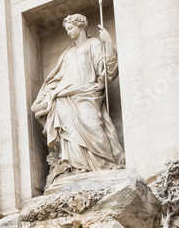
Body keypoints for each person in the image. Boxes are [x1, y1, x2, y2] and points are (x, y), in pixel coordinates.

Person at [32, 14, 124, 188]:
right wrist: (45, 97)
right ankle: (77, 167)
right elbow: (56, 79)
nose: (68, 32)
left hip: (87, 94)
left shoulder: (94, 44)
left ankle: (103, 163)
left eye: (71, 28)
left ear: (81, 26)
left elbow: (107, 73)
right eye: (66, 29)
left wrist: (109, 44)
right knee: (68, 131)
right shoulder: (67, 53)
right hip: (66, 97)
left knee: (93, 126)